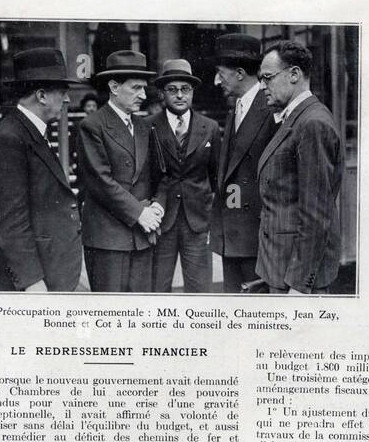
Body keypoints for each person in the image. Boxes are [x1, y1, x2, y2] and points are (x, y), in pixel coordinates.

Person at [0, 46, 82, 293]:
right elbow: (9, 220)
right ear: (41, 95)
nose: (68, 99)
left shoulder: (27, 131)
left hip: (51, 270)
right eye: (62, 92)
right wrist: (30, 281)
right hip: (36, 282)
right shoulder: (9, 137)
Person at [254, 41, 344, 294]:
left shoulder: (312, 123)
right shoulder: (296, 119)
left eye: (267, 78)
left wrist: (299, 285)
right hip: (281, 269)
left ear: (294, 75)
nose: (262, 86)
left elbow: (316, 215)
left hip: (294, 280)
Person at [76, 49, 163, 292]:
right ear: (114, 87)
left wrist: (158, 204)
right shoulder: (92, 126)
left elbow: (158, 176)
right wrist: (140, 213)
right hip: (108, 240)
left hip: (143, 237)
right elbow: (100, 182)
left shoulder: (144, 126)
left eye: (144, 88)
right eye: (136, 88)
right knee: (111, 314)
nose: (143, 95)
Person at [210, 34, 277, 293]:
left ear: (239, 73)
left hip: (256, 241)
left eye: (220, 73)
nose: (216, 81)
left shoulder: (270, 110)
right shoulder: (237, 108)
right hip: (234, 239)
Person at [149, 59, 221, 293]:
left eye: (185, 89)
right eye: (172, 90)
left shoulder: (209, 127)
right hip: (161, 222)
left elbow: (216, 176)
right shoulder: (148, 127)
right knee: (157, 288)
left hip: (197, 221)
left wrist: (212, 216)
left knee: (199, 289)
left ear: (192, 92)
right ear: (162, 93)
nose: (180, 95)